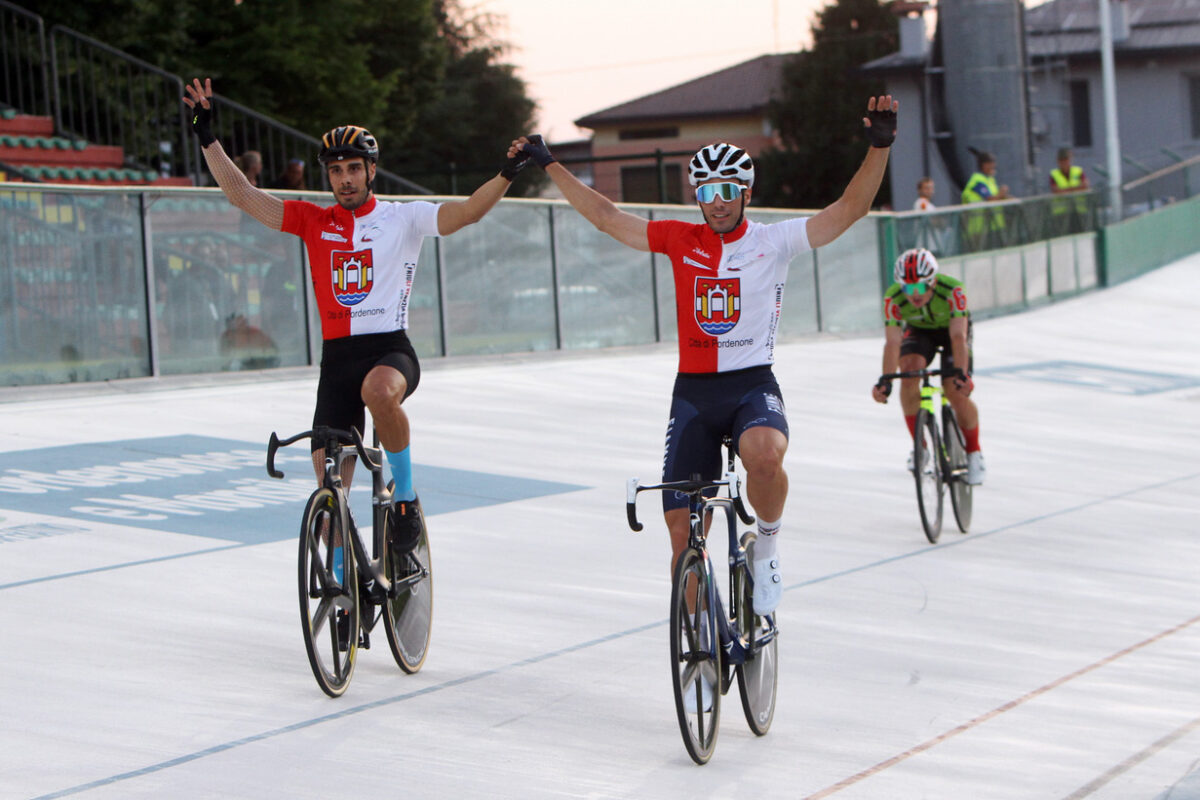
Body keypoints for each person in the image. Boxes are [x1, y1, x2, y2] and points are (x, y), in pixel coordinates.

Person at [512, 95, 898, 621]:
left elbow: (849, 210)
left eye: (727, 191)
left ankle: (767, 545)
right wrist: (550, 163)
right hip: (694, 393)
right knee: (681, 536)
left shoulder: (774, 241)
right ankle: (701, 647)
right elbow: (606, 217)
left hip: (751, 386)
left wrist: (879, 145)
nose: (716, 202)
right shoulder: (678, 238)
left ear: (746, 192)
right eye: (706, 191)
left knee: (764, 456)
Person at [182, 77, 528, 564]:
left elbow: (468, 212)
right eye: (336, 171)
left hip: (388, 350)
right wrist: (206, 135)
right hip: (337, 362)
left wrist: (508, 171)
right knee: (329, 505)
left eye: (353, 169)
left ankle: (404, 498)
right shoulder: (311, 220)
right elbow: (241, 195)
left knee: (379, 392)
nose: (344, 179)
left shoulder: (402, 219)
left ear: (370, 171)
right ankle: (348, 585)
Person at [871, 247, 985, 485]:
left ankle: (974, 452)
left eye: (920, 287)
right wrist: (886, 381)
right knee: (909, 372)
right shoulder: (893, 297)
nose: (914, 294)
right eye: (908, 288)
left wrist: (962, 375)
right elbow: (892, 342)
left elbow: (958, 338)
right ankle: (920, 448)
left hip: (952, 331)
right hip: (921, 331)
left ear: (932, 282)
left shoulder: (953, 290)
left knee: (955, 390)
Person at [961, 150, 1010, 248]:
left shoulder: (990, 180)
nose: (993, 166)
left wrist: (1006, 197)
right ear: (984, 165)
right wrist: (1001, 194)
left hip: (992, 226)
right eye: (990, 163)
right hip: (977, 229)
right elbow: (990, 199)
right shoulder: (977, 180)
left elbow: (996, 197)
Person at [1049, 147, 1089, 234]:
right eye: (1062, 160)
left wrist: (1066, 190)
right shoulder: (1054, 174)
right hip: (1062, 213)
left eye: (1066, 159)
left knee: (1081, 234)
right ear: (1058, 161)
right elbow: (1055, 190)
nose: (1064, 163)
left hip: (1079, 211)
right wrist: (1075, 189)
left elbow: (1085, 185)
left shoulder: (1078, 171)